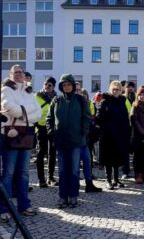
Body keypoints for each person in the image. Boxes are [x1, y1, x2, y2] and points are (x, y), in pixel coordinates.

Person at [0, 65, 42, 220]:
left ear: (24, 75)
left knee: (24, 173)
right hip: (10, 135)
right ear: (10, 75)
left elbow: (39, 114)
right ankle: (4, 208)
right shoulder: (5, 90)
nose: (18, 74)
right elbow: (11, 109)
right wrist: (27, 111)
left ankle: (24, 205)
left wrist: (23, 112)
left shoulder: (29, 92)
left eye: (20, 72)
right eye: (15, 72)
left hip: (26, 136)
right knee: (8, 173)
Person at [48, 74, 91, 208]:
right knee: (62, 170)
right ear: (61, 86)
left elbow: (86, 117)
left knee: (74, 170)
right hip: (61, 140)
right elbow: (49, 118)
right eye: (64, 85)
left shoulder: (80, 99)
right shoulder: (56, 100)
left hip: (76, 141)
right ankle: (62, 196)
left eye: (69, 84)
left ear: (72, 85)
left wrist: (83, 130)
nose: (66, 87)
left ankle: (73, 196)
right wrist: (51, 132)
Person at [97, 81, 131, 189]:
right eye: (114, 89)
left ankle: (116, 179)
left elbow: (126, 117)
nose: (115, 91)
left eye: (117, 89)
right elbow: (99, 118)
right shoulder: (105, 101)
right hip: (108, 135)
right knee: (108, 158)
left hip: (119, 134)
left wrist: (126, 131)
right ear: (110, 90)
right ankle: (108, 180)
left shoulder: (122, 101)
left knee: (117, 158)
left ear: (121, 90)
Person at [35, 76, 58, 188]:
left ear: (53, 87)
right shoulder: (37, 96)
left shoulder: (56, 98)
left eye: (50, 85)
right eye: (46, 84)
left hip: (53, 128)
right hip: (41, 127)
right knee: (41, 152)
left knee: (52, 153)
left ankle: (51, 177)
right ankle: (41, 179)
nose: (47, 87)